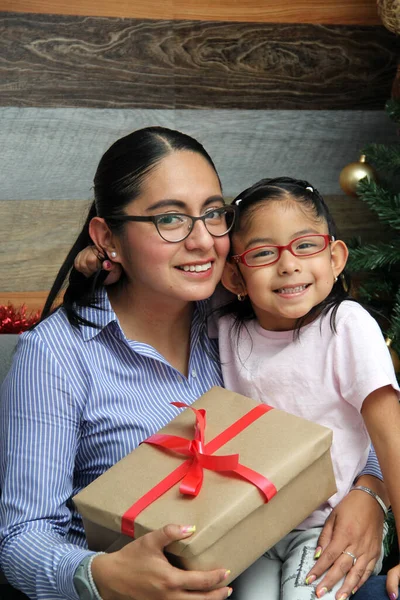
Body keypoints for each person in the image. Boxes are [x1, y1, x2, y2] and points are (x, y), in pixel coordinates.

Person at [0, 128, 387, 600]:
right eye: (170, 219)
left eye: (213, 213)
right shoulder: (57, 355)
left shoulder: (245, 308)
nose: (204, 240)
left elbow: (340, 409)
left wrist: (371, 493)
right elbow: (22, 538)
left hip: (278, 558)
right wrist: (102, 577)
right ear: (107, 237)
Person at [213, 177, 400, 600]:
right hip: (253, 529)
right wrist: (100, 266)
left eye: (305, 246)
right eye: (262, 253)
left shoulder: (346, 327)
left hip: (325, 527)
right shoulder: (227, 329)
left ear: (335, 258)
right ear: (235, 279)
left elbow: (393, 442)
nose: (288, 264)